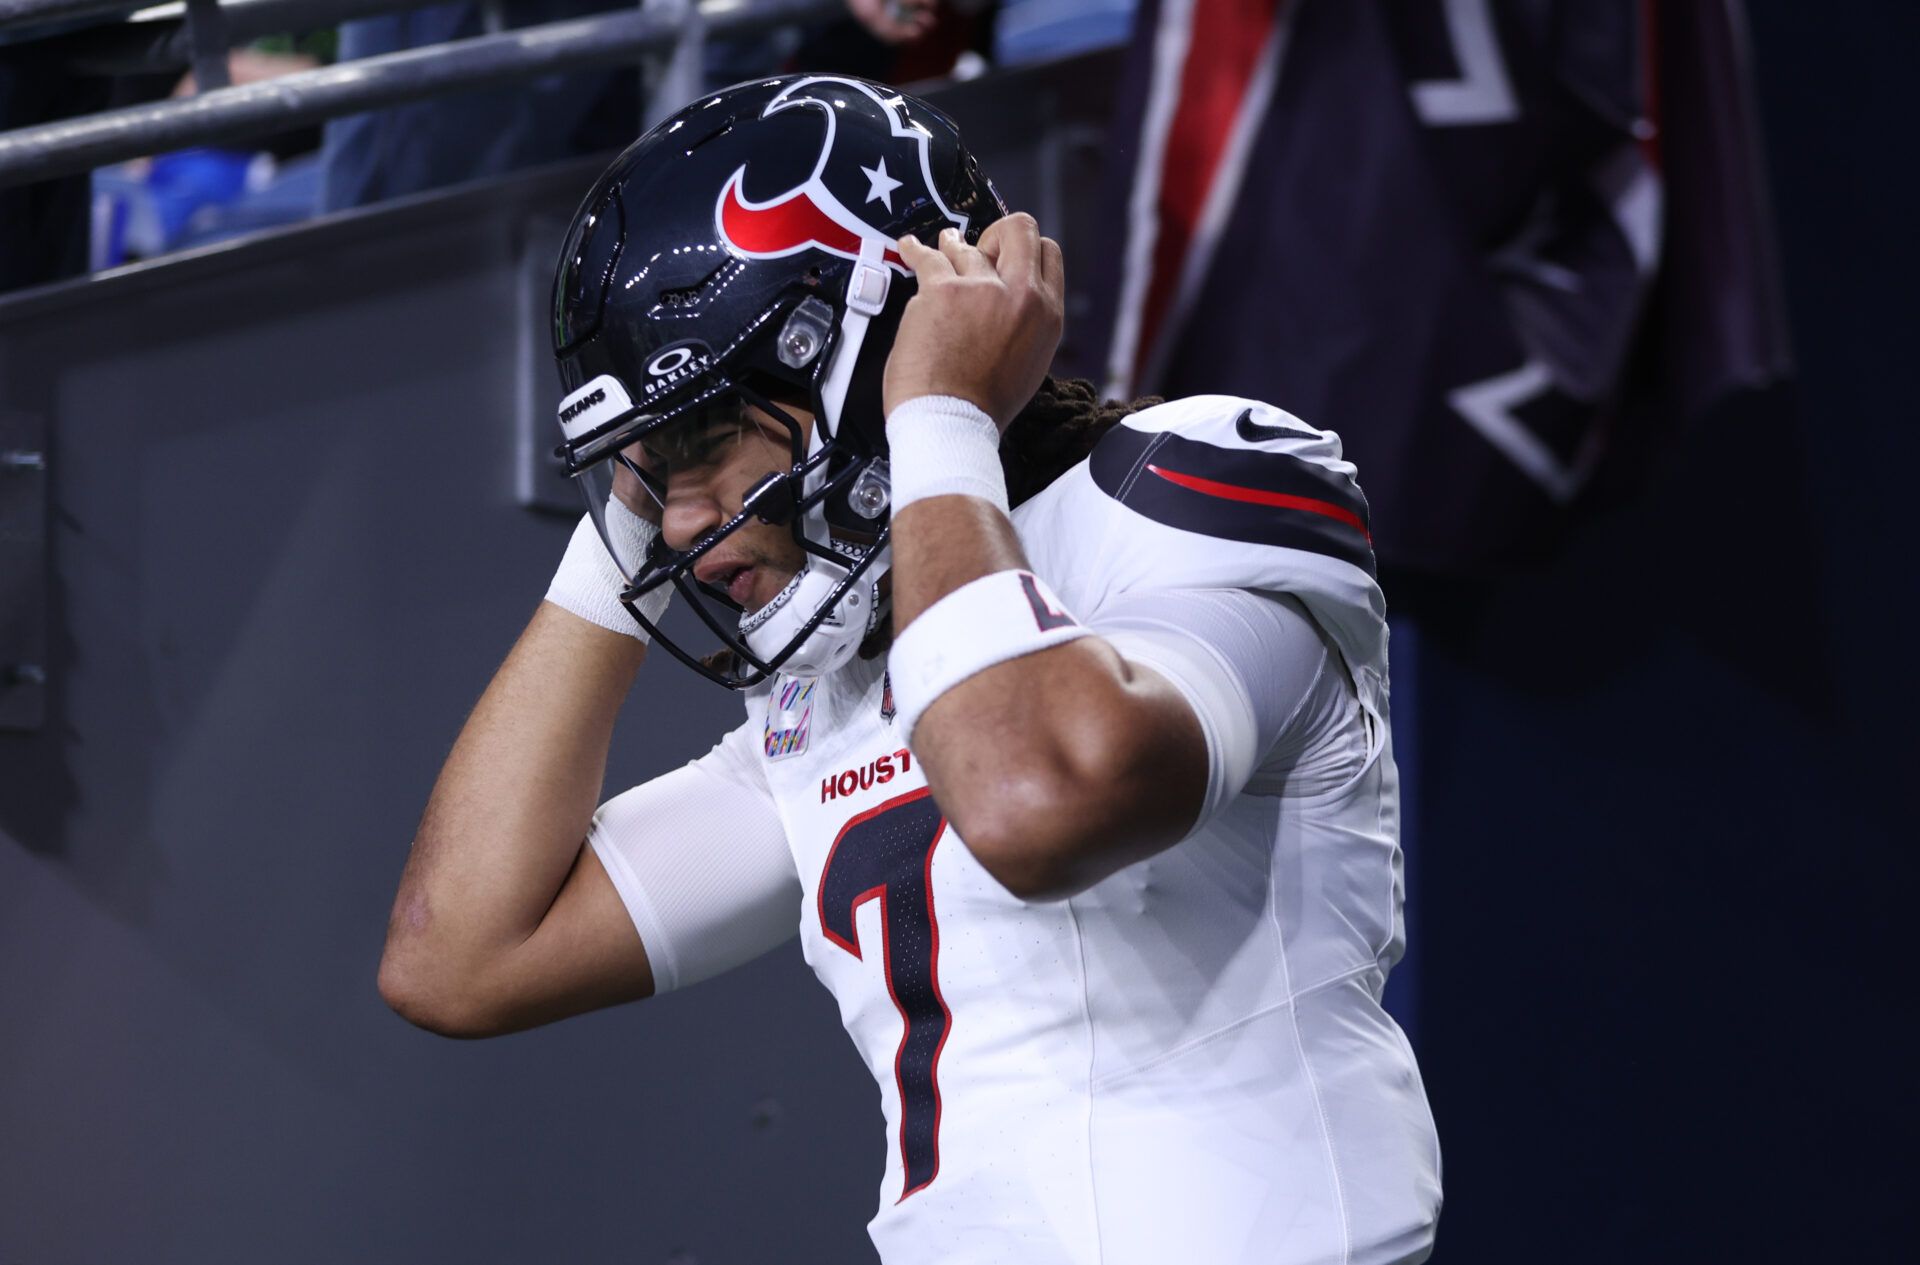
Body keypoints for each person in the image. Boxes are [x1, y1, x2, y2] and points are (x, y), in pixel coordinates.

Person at [377, 73, 1442, 1264]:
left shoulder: (1186, 486)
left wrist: (935, 413)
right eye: (643, 471)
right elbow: (459, 952)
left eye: (701, 440)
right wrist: (615, 523)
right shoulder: (826, 682)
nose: (678, 524)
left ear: (865, 346)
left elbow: (1032, 799)